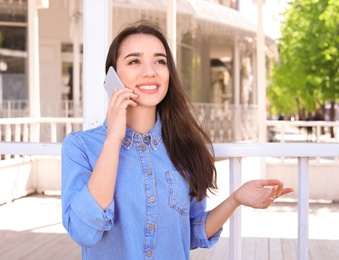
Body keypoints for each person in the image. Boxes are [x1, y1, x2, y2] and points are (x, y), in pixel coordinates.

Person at [61, 21, 294, 260]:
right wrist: (114, 138)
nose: (150, 71)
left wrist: (235, 200)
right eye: (134, 61)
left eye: (160, 61)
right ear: (112, 76)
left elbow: (190, 232)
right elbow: (83, 232)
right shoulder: (81, 147)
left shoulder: (185, 147)